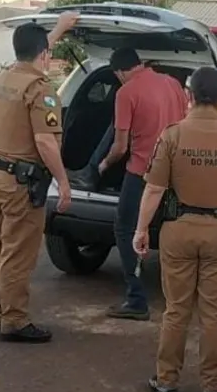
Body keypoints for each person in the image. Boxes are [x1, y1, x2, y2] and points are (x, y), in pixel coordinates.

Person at [132, 66, 217, 392]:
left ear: (189, 95)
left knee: (176, 310)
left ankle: (166, 383)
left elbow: (155, 188)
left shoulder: (173, 135)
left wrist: (141, 229)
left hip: (180, 230)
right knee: (215, 313)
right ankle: (213, 387)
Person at [70, 48, 188, 321]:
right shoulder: (173, 84)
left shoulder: (126, 92)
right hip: (174, 172)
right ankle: (180, 299)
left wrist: (101, 166)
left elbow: (120, 146)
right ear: (140, 64)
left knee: (126, 229)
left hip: (141, 174)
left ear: (119, 72)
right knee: (174, 233)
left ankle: (136, 299)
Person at [0, 12, 79, 343]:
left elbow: (33, 54)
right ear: (44, 56)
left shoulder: (4, 79)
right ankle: (15, 320)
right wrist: (63, 182)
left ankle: (0, 313)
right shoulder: (42, 91)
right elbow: (45, 142)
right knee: (18, 254)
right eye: (48, 53)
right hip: (23, 185)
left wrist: (59, 30)